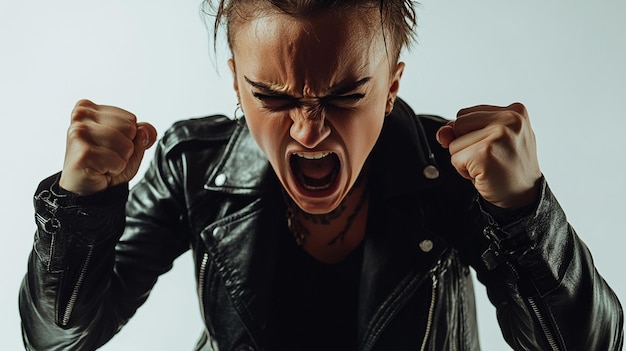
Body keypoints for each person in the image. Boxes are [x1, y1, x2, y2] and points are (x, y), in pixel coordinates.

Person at [19, 0, 624, 350]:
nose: (309, 131)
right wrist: (80, 207)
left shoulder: (450, 175)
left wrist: (523, 214)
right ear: (236, 84)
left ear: (391, 88)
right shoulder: (193, 167)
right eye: (274, 98)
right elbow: (57, 340)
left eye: (344, 95)